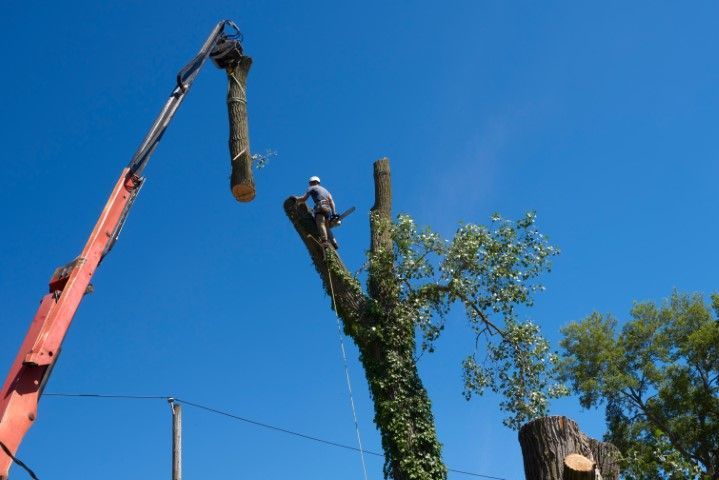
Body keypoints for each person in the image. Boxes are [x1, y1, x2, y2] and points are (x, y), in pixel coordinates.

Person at [295, 176, 339, 249]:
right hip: (328, 209)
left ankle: (325, 241)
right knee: (327, 227)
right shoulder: (325, 190)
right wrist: (334, 213)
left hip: (321, 207)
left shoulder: (312, 188)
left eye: (310, 183)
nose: (310, 184)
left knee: (320, 223)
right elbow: (331, 201)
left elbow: (303, 199)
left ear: (313, 182)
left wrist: (296, 199)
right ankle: (335, 243)